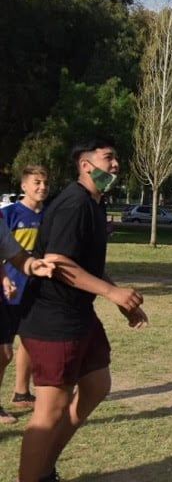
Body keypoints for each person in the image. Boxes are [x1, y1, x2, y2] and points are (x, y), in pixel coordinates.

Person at [17, 138, 147, 482]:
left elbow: (83, 261)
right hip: (52, 320)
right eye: (108, 157)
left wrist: (119, 296)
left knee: (96, 384)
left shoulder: (95, 203)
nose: (116, 164)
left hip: (78, 317)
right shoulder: (74, 203)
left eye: (117, 158)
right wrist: (111, 292)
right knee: (50, 411)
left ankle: (44, 469)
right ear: (86, 165)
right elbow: (58, 262)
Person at [0, 165, 48, 424]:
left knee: (28, 341)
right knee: (4, 350)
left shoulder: (49, 217)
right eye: (36, 182)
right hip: (9, 291)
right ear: (24, 186)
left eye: (45, 183)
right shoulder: (8, 215)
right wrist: (6, 278)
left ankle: (21, 392)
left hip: (35, 291)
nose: (42, 187)